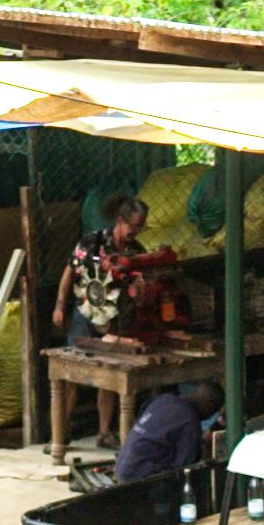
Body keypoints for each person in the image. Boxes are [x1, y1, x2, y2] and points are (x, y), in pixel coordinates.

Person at [53, 194, 149, 449]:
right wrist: (60, 305)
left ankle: (105, 432)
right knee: (72, 373)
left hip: (114, 322)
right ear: (121, 220)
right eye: (134, 226)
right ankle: (61, 433)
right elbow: (69, 271)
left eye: (141, 227)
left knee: (108, 376)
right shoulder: (92, 243)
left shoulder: (136, 252)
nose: (136, 231)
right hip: (85, 316)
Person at [115, 382, 223, 483]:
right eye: (214, 412)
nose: (211, 416)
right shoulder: (190, 421)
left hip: (122, 465)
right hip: (140, 476)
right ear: (209, 405)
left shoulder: (164, 399)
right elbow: (183, 468)